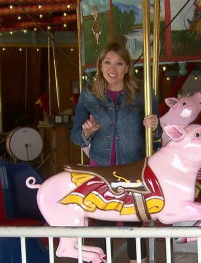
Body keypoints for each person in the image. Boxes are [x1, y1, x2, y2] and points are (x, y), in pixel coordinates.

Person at [71, 42, 161, 263]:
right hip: (101, 166)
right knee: (103, 222)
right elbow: (75, 134)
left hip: (133, 165)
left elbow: (156, 137)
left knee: (134, 222)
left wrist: (154, 126)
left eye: (119, 63)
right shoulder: (89, 94)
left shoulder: (142, 93)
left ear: (127, 67)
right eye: (108, 62)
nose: (113, 68)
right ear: (100, 66)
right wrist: (88, 133)